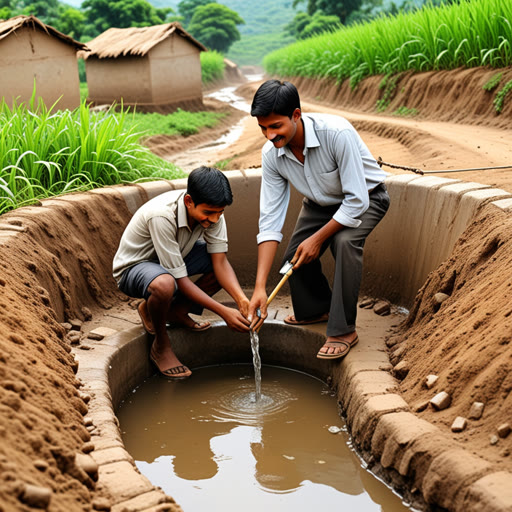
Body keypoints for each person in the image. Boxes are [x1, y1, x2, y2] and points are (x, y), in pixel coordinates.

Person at [248, 80, 390, 360]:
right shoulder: (272, 155)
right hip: (319, 205)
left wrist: (317, 238)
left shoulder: (337, 133)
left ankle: (343, 330)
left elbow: (357, 200)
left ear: (296, 115)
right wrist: (259, 288)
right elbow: (270, 221)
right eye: (263, 128)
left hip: (366, 198)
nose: (269, 136)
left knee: (344, 243)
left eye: (276, 126)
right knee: (294, 258)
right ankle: (317, 309)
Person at [113, 166, 250, 379]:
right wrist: (224, 312)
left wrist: (242, 300)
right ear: (188, 201)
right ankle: (161, 344)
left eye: (219, 213)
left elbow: (220, 263)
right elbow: (179, 280)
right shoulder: (162, 215)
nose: (214, 219)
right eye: (208, 213)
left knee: (213, 265)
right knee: (165, 285)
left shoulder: (213, 213)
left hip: (171, 261)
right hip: (135, 268)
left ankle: (175, 311)